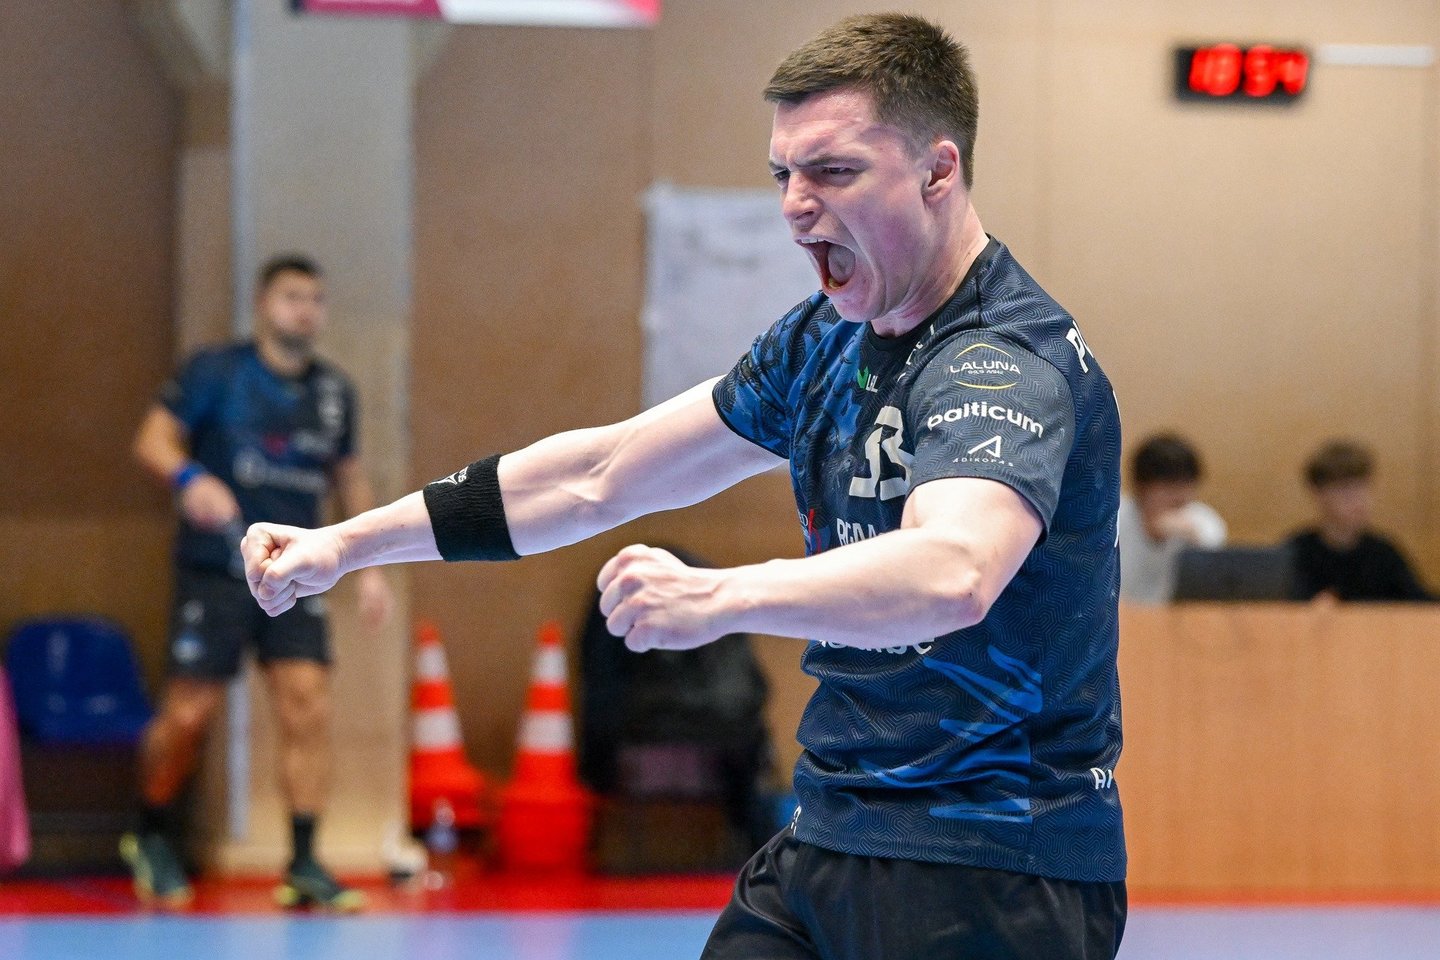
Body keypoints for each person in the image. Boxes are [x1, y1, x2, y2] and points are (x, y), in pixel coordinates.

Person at [244, 14, 1125, 958]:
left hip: (998, 868)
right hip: (833, 836)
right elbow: (597, 474)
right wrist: (349, 542)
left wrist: (719, 596)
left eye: (834, 172)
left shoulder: (1002, 361)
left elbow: (954, 571)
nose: (797, 206)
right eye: (783, 174)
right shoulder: (822, 342)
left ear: (938, 172)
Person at [124, 254, 394, 910]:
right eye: (292, 297)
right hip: (217, 569)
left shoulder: (334, 393)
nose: (305, 310)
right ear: (263, 305)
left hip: (295, 574)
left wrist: (371, 564)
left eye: (316, 299)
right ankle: (152, 834)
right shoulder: (215, 372)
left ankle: (303, 861)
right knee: (189, 714)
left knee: (308, 705)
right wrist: (190, 478)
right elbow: (153, 440)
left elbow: (349, 477)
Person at [1287, 439, 1431, 602]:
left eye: (1363, 488)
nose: (1359, 500)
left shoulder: (1383, 554)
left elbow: (1422, 604)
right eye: (1346, 489)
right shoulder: (1295, 553)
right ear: (1319, 494)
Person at [1116, 432, 1227, 603]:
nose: (1180, 496)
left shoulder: (1203, 520)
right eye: (1169, 486)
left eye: (1186, 485)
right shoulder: (1112, 521)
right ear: (1141, 487)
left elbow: (1220, 575)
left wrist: (1193, 536)